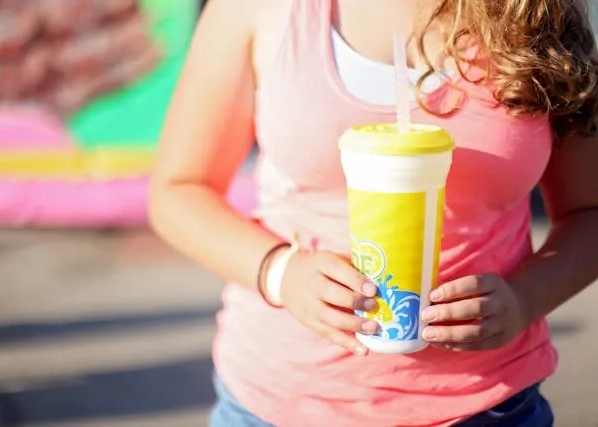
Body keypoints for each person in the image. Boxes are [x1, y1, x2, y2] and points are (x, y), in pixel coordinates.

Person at [149, 0, 598, 425]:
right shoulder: (261, 9)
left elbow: (588, 212)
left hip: (491, 403)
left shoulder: (541, 13)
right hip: (280, 398)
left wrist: (524, 299)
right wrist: (281, 272)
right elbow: (178, 190)